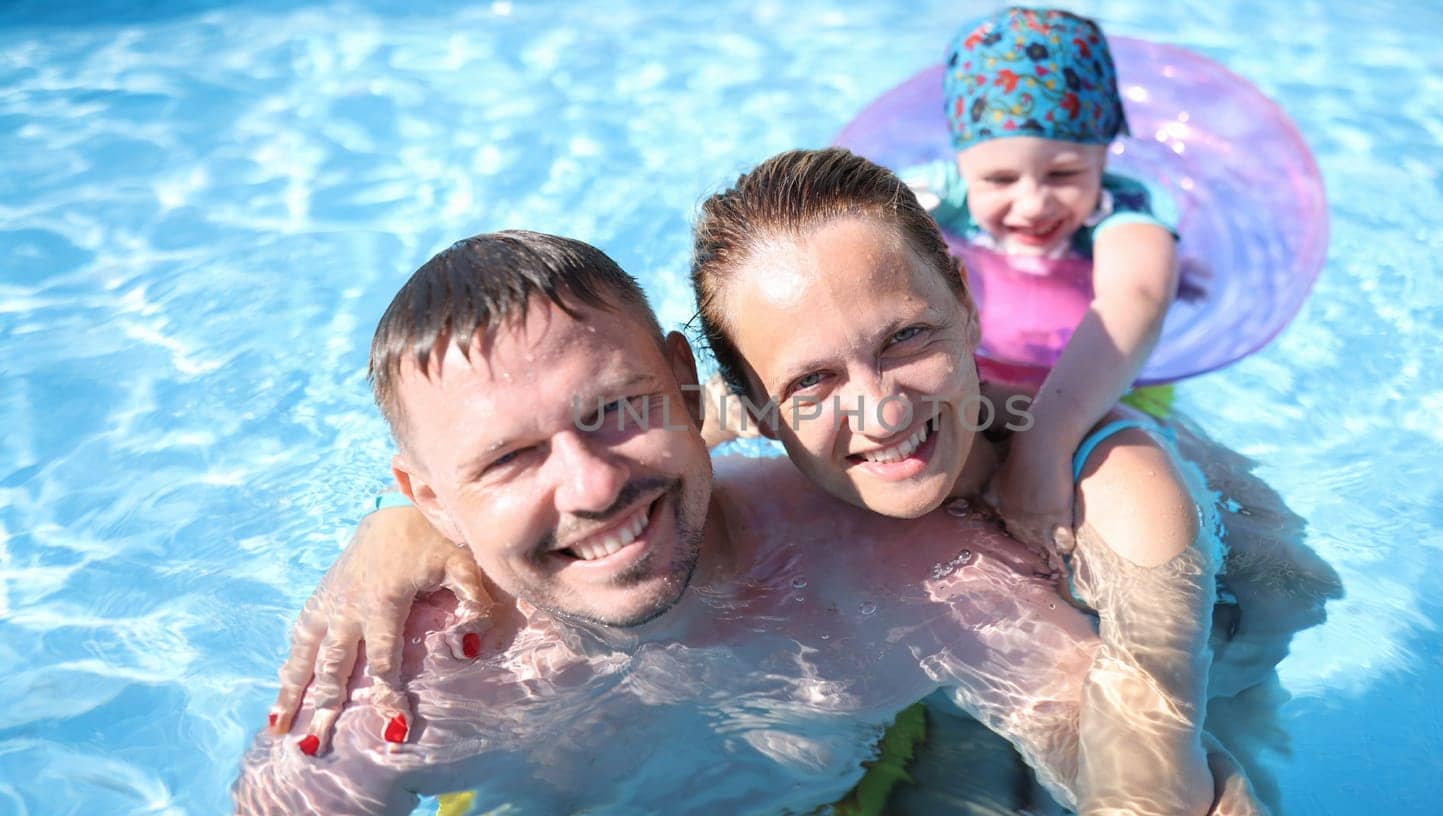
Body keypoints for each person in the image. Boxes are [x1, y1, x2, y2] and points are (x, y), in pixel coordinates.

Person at [233, 230, 1263, 814]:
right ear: (428, 500)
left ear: (685, 385)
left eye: (614, 410)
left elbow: (1133, 758)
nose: (590, 487)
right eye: (508, 460)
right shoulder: (421, 680)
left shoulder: (892, 565)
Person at [692, 147, 1224, 813]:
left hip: (1213, 673)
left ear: (966, 304)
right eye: (812, 378)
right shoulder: (766, 480)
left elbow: (1158, 768)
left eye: (906, 337)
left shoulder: (1114, 486)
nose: (883, 414)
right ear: (757, 408)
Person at [902, 6, 1183, 549]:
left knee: (1223, 504)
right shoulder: (941, 198)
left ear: (1104, 154)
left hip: (1110, 397)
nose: (1031, 205)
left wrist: (1044, 444)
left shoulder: (1121, 208)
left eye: (1063, 174)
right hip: (981, 390)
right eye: (1000, 178)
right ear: (962, 164)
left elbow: (1139, 294)